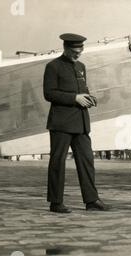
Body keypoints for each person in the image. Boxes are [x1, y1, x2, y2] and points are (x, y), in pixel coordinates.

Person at [43, 33, 110, 213]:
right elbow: (49, 93)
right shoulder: (53, 67)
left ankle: (91, 200)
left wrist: (89, 97)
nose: (78, 55)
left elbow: (82, 89)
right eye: (74, 51)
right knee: (58, 162)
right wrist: (75, 98)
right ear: (65, 48)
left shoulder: (81, 67)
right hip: (61, 123)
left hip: (80, 123)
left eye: (80, 51)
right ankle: (56, 202)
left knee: (87, 161)